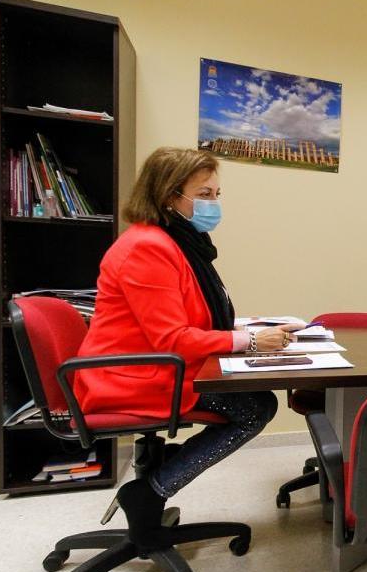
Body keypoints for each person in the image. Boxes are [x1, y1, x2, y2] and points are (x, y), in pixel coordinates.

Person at [74, 147, 295, 548]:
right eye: (204, 194)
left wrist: (250, 328)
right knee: (255, 407)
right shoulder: (148, 248)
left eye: (217, 194)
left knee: (256, 401)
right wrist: (247, 340)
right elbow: (171, 338)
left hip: (153, 365)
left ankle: (152, 487)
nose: (214, 204)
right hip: (133, 375)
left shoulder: (176, 243)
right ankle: (150, 491)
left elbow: (190, 319)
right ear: (169, 196)